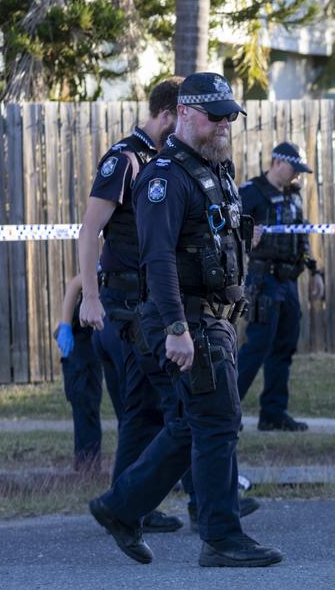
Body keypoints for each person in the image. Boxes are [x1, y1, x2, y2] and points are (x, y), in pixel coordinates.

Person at [88, 72, 282, 568]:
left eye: (229, 117)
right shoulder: (163, 178)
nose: (224, 125)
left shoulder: (214, 168)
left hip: (213, 316)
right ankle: (220, 537)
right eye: (215, 117)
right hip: (185, 317)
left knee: (193, 422)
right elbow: (158, 259)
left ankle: (120, 506)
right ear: (187, 114)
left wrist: (242, 238)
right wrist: (176, 328)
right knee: (217, 422)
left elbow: (210, 235)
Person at [76, 77, 185, 533]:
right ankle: (196, 501)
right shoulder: (124, 160)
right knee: (164, 405)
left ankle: (130, 503)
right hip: (120, 306)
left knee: (144, 411)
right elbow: (88, 232)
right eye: (181, 120)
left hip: (144, 303)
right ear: (166, 115)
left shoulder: (160, 160)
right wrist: (92, 299)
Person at [237, 142, 324, 432]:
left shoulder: (293, 196)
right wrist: (246, 237)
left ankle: (273, 414)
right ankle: (224, 413)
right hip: (263, 280)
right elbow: (228, 230)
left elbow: (301, 235)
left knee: (284, 348)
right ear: (276, 162)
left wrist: (315, 271)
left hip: (289, 282)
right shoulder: (251, 193)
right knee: (257, 347)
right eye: (293, 169)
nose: (297, 176)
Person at [54, 276, 123, 473]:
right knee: (83, 394)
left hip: (120, 325)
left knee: (130, 402)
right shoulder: (111, 261)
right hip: (84, 327)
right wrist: (66, 326)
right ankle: (87, 467)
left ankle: (135, 464)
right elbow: (75, 284)